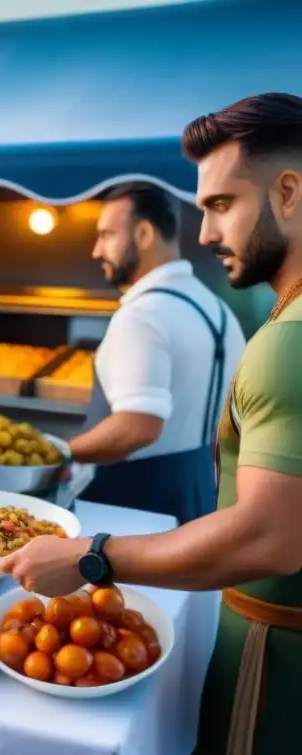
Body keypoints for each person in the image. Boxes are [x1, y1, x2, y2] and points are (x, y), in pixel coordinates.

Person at [0, 93, 302, 755]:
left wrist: (90, 553)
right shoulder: (238, 314)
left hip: (271, 646)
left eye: (222, 204)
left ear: (288, 192)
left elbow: (270, 537)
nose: (205, 233)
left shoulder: (287, 338)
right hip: (199, 521)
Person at [73, 182, 245, 523]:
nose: (96, 250)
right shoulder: (218, 311)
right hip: (203, 494)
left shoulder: (141, 315)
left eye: (106, 235)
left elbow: (138, 427)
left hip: (133, 505)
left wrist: (59, 452)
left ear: (144, 233)